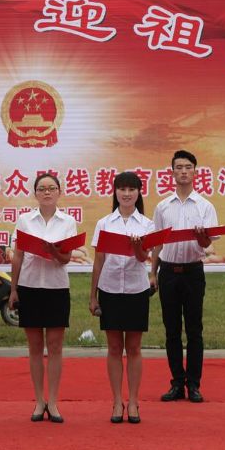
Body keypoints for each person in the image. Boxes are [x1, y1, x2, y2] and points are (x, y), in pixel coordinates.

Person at [149, 150, 218, 403]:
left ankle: (194, 385)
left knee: (194, 329)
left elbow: (208, 243)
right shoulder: (162, 206)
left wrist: (202, 237)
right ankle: (177, 383)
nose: (184, 171)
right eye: (179, 167)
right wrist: (153, 273)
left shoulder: (205, 206)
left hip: (192, 272)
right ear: (172, 172)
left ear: (195, 171)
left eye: (188, 167)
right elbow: (157, 243)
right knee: (172, 330)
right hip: (168, 271)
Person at [8, 173, 75, 423]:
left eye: (52, 188)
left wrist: (53, 251)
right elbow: (18, 256)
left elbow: (66, 259)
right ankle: (39, 401)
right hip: (30, 287)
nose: (47, 192)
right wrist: (13, 289)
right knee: (35, 347)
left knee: (55, 347)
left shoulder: (67, 221)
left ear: (59, 192)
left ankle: (53, 402)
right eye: (42, 189)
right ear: (35, 193)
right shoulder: (25, 220)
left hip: (57, 288)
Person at [89, 171, 154, 424]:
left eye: (131, 189)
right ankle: (117, 401)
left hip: (137, 290)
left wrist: (138, 246)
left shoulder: (147, 224)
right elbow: (98, 261)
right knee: (114, 348)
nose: (126, 194)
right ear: (115, 192)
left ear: (139, 193)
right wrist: (93, 296)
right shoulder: (105, 223)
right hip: (110, 289)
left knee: (134, 348)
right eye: (122, 189)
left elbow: (144, 258)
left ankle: (134, 401)